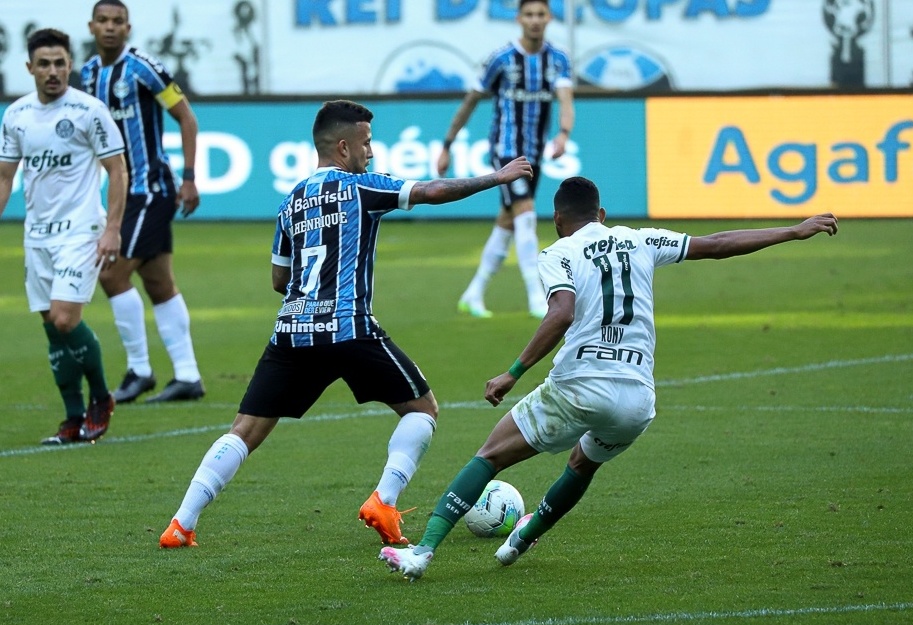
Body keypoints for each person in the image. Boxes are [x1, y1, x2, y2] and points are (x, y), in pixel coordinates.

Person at [379, 176, 839, 580]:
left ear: (558, 219)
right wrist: (793, 231)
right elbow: (717, 243)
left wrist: (512, 373)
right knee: (583, 463)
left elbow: (561, 313)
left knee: (490, 455)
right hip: (638, 397)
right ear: (601, 214)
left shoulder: (558, 252)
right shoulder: (641, 239)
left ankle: (421, 553)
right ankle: (520, 540)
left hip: (581, 381)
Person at [159, 99, 533, 549]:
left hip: (292, 333)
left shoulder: (290, 202)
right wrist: (498, 177)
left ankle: (181, 523)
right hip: (350, 327)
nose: (370, 153)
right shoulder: (362, 188)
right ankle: (384, 500)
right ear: (342, 147)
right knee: (423, 409)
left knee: (245, 430)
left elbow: (280, 278)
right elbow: (431, 192)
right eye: (366, 144)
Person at [0, 28, 127, 444]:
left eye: (59, 63)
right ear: (29, 68)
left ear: (70, 64)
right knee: (51, 328)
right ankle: (73, 418)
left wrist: (111, 228)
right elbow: (5, 177)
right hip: (37, 235)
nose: (53, 72)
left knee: (64, 318)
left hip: (81, 231)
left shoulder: (89, 111)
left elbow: (117, 170)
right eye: (44, 64)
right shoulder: (16, 115)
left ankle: (102, 396)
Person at [81, 0, 204, 403]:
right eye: (103, 21)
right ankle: (187, 377)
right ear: (92, 27)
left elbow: (186, 117)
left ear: (128, 28)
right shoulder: (87, 73)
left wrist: (188, 178)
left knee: (111, 274)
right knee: (158, 283)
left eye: (118, 21)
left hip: (150, 190)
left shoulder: (143, 68)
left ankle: (140, 371)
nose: (110, 27)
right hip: (122, 192)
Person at [438, 0, 574, 320]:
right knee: (526, 215)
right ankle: (537, 296)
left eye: (541, 14)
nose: (535, 20)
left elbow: (566, 100)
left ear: (549, 18)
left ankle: (473, 293)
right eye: (529, 15)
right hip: (505, 150)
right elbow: (470, 101)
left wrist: (564, 133)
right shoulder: (501, 59)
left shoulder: (558, 60)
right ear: (519, 19)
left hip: (534, 153)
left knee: (508, 221)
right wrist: (447, 144)